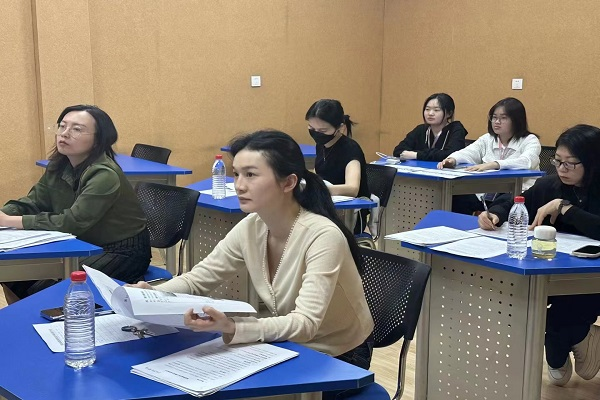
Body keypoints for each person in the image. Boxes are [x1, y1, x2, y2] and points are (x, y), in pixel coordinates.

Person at [131, 130, 374, 376]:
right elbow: (198, 279)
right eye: (236, 174)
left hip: (339, 354)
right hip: (290, 343)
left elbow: (306, 323)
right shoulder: (252, 226)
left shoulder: (322, 236)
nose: (239, 185)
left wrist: (233, 326)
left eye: (251, 175)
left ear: (288, 183)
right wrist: (152, 295)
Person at [478, 124, 600, 386]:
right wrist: (495, 214)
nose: (562, 169)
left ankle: (578, 337)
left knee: (560, 322)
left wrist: (565, 209)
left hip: (592, 280)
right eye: (558, 161)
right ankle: (576, 339)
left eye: (571, 163)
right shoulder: (550, 185)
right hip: (553, 272)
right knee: (534, 312)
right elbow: (517, 200)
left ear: (592, 162)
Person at [0, 104, 151, 301]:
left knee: (46, 290)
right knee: (13, 274)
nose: (65, 133)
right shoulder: (59, 165)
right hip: (79, 244)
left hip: (121, 251)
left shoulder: (104, 174)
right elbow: (34, 202)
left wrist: (10, 221)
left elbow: (73, 222)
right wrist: (5, 213)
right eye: (62, 126)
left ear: (98, 140)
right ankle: (22, 319)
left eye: (77, 129)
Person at [437, 97, 541, 214]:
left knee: (502, 202)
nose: (497, 122)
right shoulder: (488, 139)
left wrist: (494, 164)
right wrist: (453, 159)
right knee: (456, 197)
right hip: (487, 193)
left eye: (503, 118)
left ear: (516, 120)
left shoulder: (530, 140)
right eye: (494, 117)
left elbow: (527, 161)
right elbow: (469, 152)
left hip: (518, 195)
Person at [305, 99, 371, 234]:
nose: (316, 133)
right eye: (312, 128)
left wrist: (319, 189)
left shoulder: (350, 149)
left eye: (322, 130)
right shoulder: (321, 145)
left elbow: (352, 189)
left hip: (349, 214)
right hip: (326, 207)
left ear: (340, 127)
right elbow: (318, 175)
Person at [393, 93, 468, 161]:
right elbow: (398, 151)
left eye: (436, 110)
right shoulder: (421, 129)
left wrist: (416, 155)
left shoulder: (456, 129)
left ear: (449, 113)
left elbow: (451, 155)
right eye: (427, 109)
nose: (430, 113)